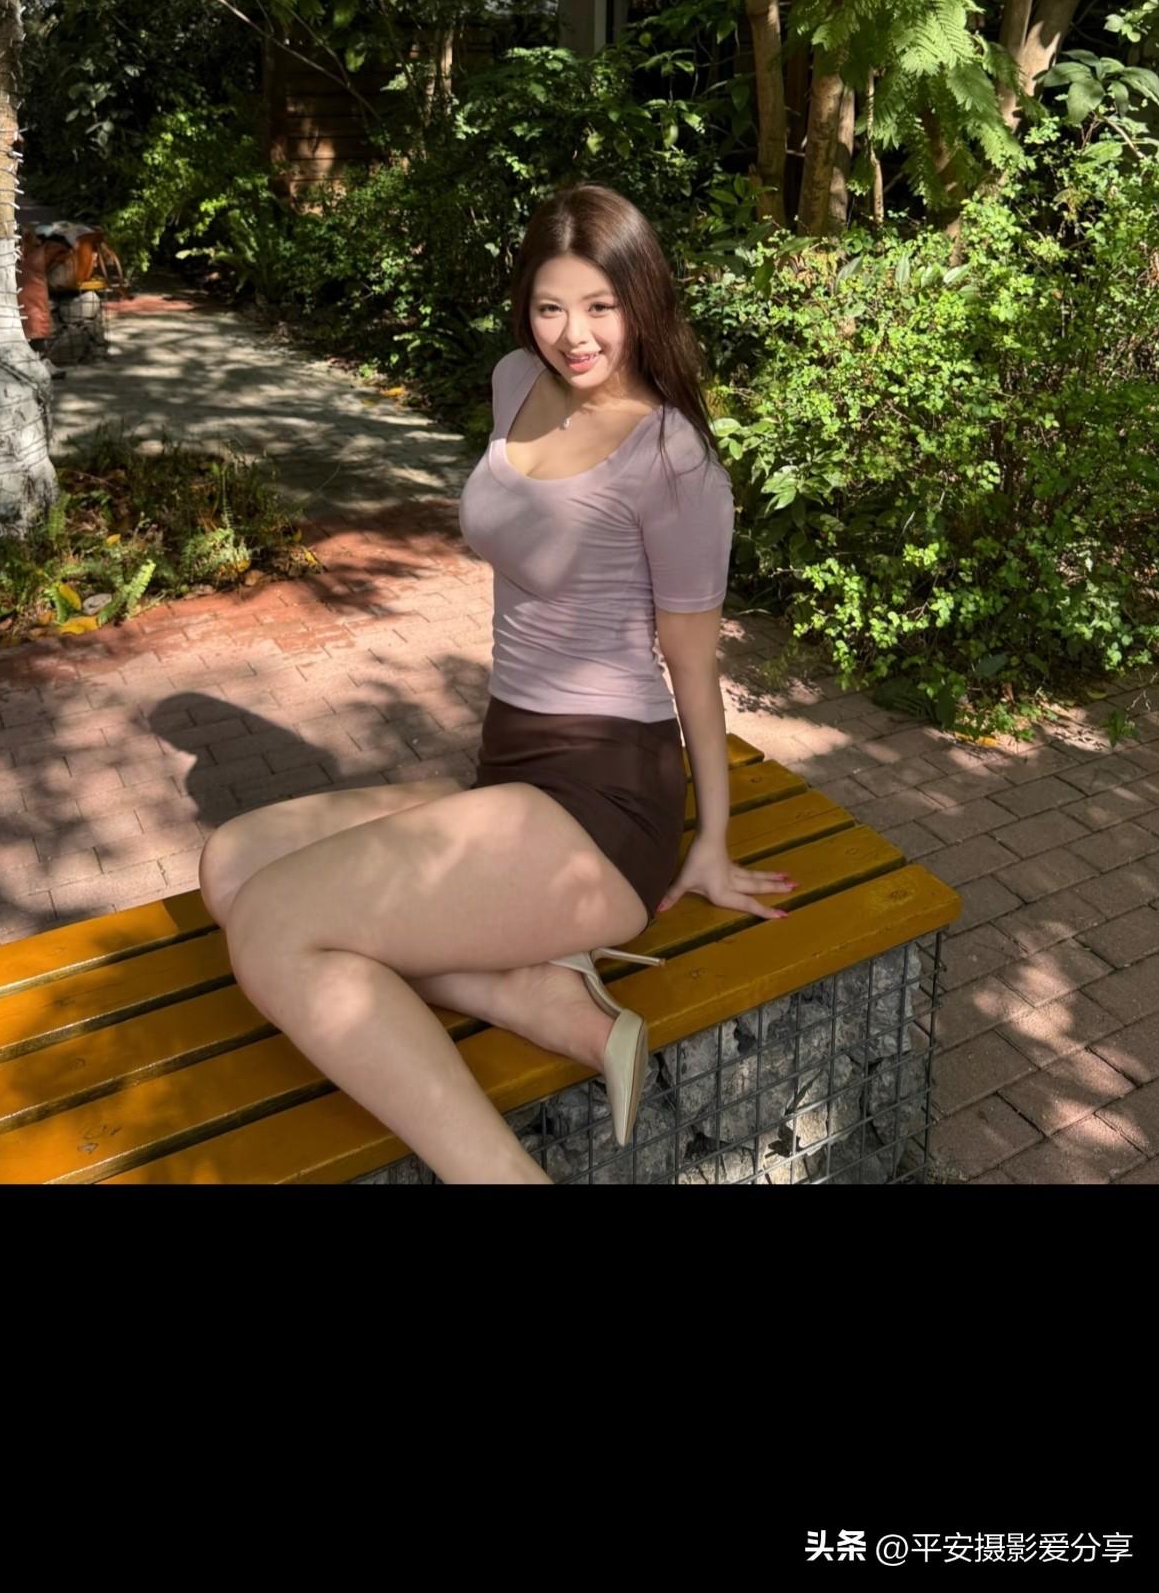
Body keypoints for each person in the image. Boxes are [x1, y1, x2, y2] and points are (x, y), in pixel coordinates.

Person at [199, 183, 796, 1184]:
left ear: (644, 300)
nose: (574, 335)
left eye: (601, 306)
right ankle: (531, 995)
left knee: (274, 928)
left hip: (608, 798)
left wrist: (712, 841)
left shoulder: (672, 459)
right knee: (233, 862)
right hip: (512, 763)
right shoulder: (516, 379)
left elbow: (694, 666)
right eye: (550, 305)